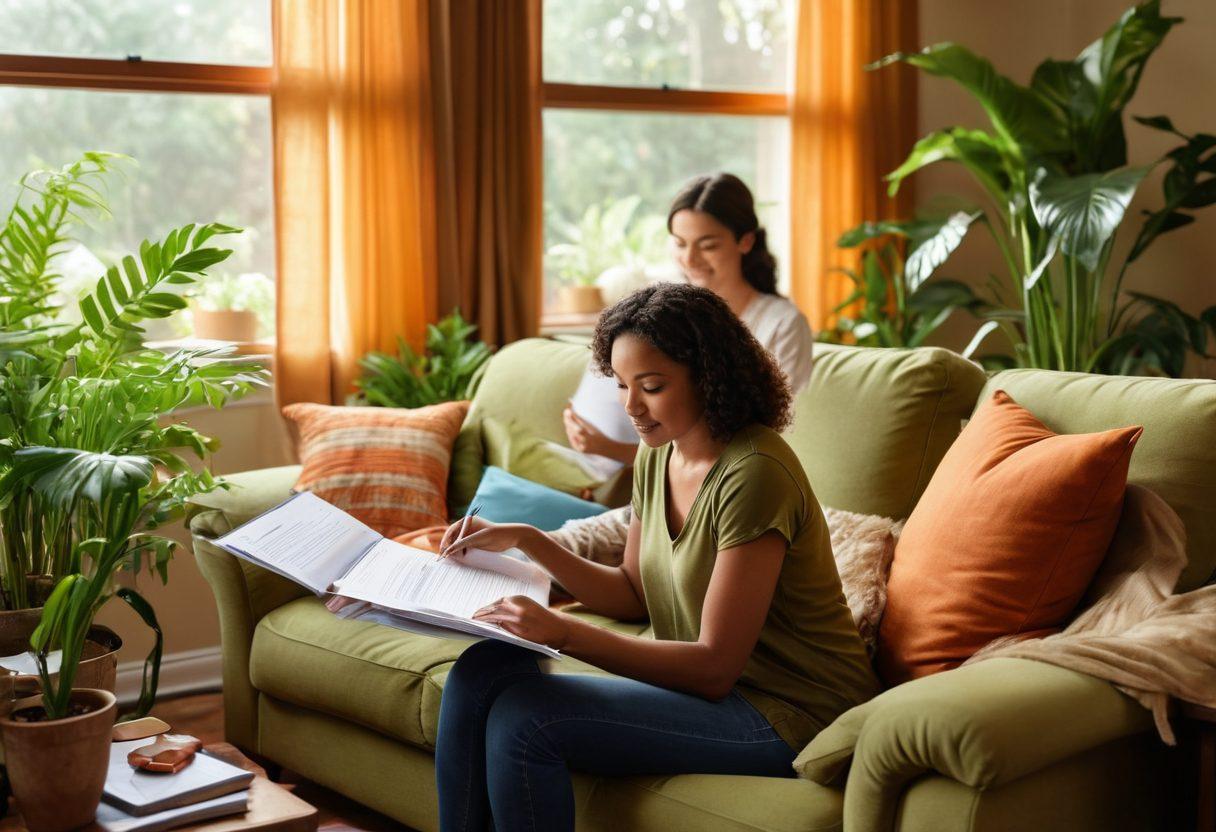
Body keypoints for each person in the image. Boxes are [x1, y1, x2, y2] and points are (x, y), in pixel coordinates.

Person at [433, 283, 879, 832]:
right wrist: (528, 538)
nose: (630, 407)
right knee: (480, 671)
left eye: (651, 386)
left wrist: (562, 632)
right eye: (621, 385)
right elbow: (633, 591)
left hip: (787, 711)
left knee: (527, 719)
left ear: (710, 376)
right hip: (712, 691)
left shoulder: (755, 473)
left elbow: (715, 668)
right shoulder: (658, 454)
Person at [558, 172, 814, 563]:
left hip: (719, 490)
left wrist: (614, 448)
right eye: (679, 244)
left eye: (707, 245)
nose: (690, 259)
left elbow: (763, 438)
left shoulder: (780, 324)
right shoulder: (664, 318)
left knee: (566, 546)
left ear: (746, 240)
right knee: (537, 544)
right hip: (651, 475)